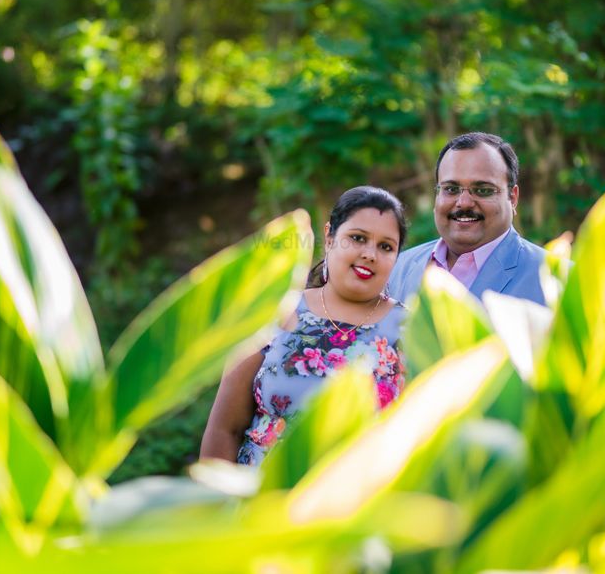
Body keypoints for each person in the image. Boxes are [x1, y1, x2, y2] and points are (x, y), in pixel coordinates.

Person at [200, 186, 409, 465]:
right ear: (330, 237)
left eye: (386, 246)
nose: (370, 254)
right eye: (357, 238)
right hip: (259, 500)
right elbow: (225, 429)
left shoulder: (410, 328)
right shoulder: (274, 313)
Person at [387, 132, 547, 306]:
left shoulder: (554, 279)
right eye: (451, 189)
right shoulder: (396, 269)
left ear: (513, 197)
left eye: (483, 190)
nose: (464, 203)